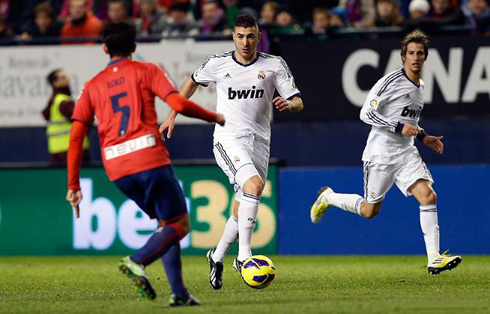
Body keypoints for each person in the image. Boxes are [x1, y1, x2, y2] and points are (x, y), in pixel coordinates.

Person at [65, 21, 224, 306]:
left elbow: (76, 136)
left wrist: (73, 184)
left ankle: (180, 294)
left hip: (115, 168)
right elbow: (179, 103)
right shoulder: (146, 70)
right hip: (147, 157)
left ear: (104, 48)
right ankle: (137, 261)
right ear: (135, 47)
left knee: (166, 224)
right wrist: (215, 117)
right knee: (180, 223)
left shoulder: (91, 86)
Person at [160, 13, 303, 290]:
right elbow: (191, 82)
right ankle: (244, 257)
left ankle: (216, 256)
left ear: (258, 36)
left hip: (260, 142)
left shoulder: (274, 65)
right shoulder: (218, 64)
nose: (245, 42)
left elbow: (297, 101)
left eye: (251, 36)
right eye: (240, 36)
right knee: (254, 185)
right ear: (233, 36)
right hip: (228, 139)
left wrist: (290, 105)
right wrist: (172, 114)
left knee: (244, 201)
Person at [310, 31, 462, 276]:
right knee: (370, 211)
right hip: (380, 154)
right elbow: (365, 114)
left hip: (406, 153)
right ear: (403, 57)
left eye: (420, 53)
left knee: (428, 196)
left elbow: (408, 120)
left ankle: (434, 259)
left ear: (425, 57)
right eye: (411, 53)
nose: (415, 57)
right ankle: (328, 197)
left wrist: (423, 136)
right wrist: (400, 128)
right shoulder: (390, 82)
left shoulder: (420, 86)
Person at [43, 69, 89, 166]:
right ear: (54, 83)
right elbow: (83, 120)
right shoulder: (64, 102)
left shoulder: (54, 101)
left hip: (57, 151)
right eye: (63, 77)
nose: (67, 79)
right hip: (72, 150)